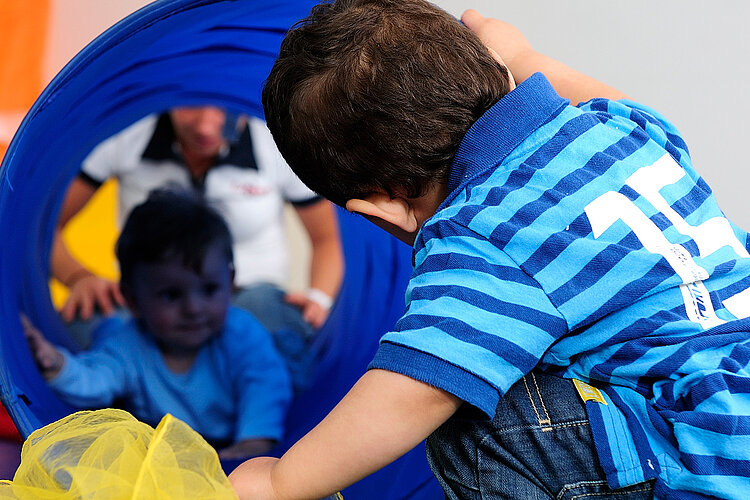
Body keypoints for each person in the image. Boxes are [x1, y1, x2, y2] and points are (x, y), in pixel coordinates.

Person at [228, 1, 750, 498]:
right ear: (500, 75)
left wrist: (282, 482)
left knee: (475, 423)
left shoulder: (482, 236)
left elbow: (418, 384)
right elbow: (553, 82)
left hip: (717, 444)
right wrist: (519, 55)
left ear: (382, 209)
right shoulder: (620, 126)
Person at [52, 106, 343, 390]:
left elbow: (328, 238)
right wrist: (78, 277)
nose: (205, 126)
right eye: (191, 108)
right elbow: (38, 224)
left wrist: (319, 301)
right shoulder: (129, 133)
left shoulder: (275, 143)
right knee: (87, 319)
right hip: (156, 304)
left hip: (247, 303)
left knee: (279, 317)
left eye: (222, 110)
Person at [26, 190, 292, 460]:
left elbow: (265, 385)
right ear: (132, 299)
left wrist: (253, 442)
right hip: (169, 455)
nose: (193, 308)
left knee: (282, 343)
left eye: (210, 289)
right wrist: (54, 364)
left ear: (230, 282)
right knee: (91, 324)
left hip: (234, 441)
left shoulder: (241, 334)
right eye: (171, 295)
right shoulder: (127, 343)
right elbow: (96, 381)